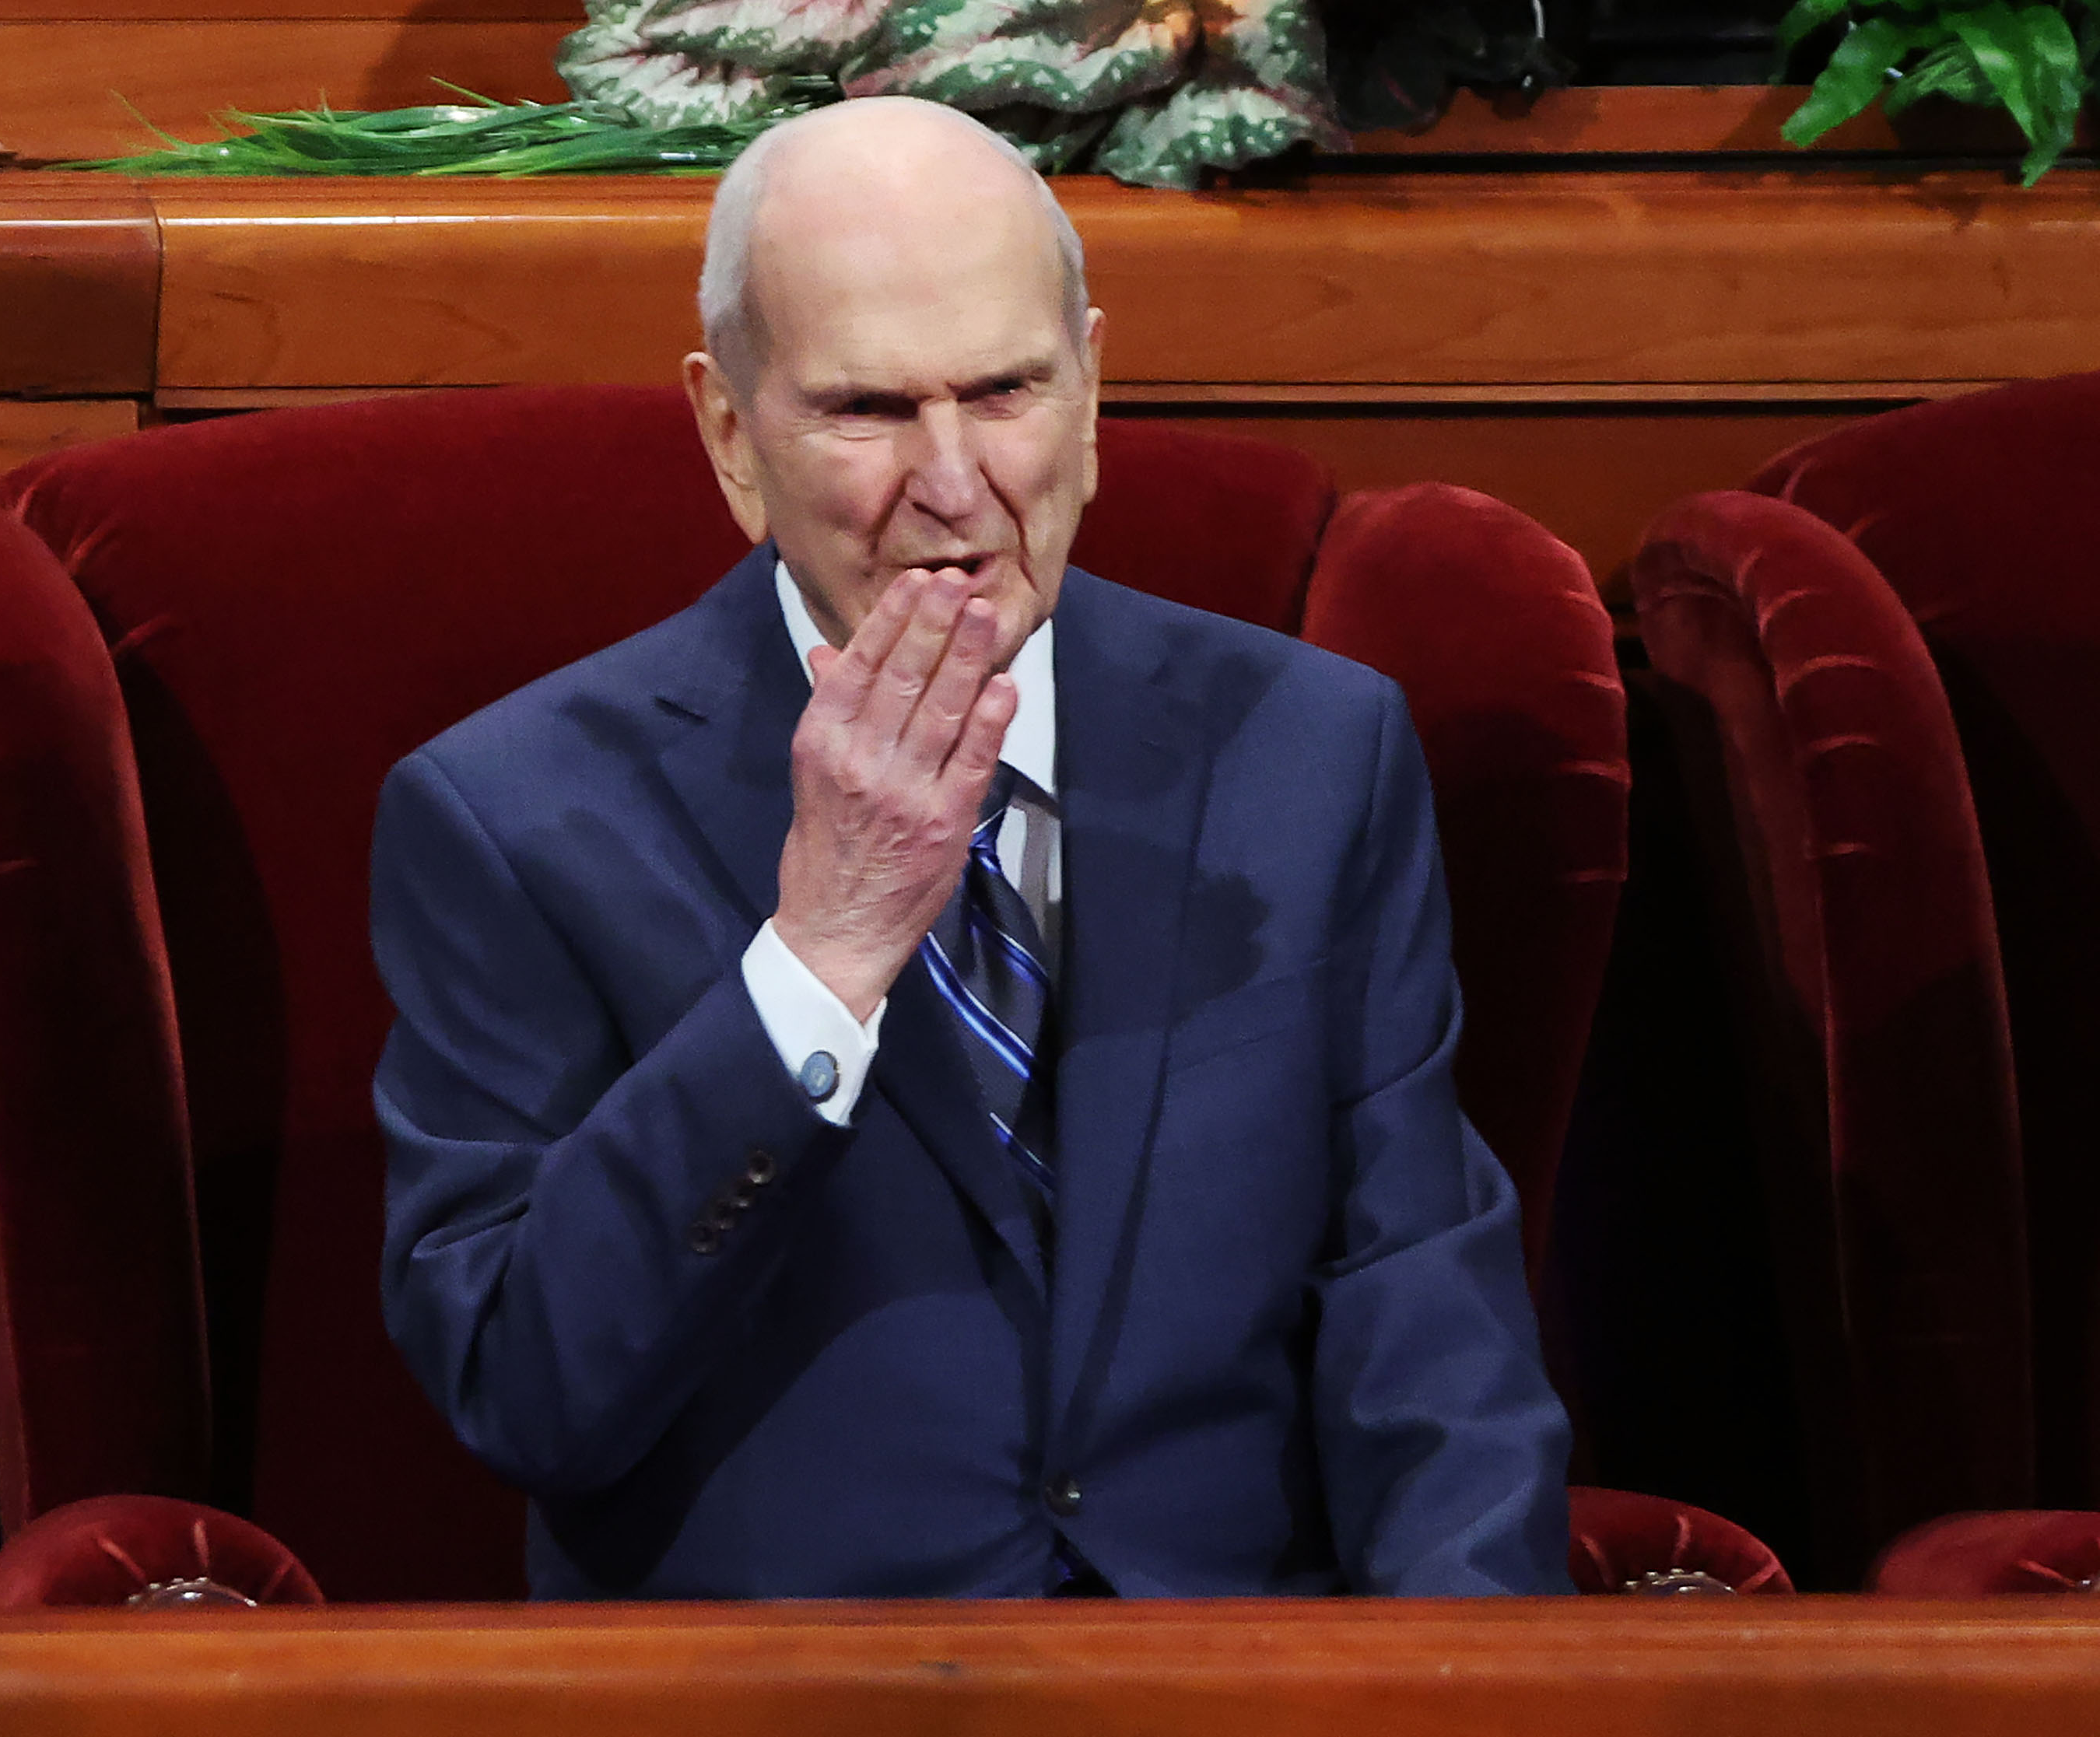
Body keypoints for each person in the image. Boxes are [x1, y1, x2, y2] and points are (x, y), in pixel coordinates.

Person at [371, 96, 1572, 1599]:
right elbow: (526, 1384)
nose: (952, 483)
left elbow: (1424, 1314)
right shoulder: (514, 813)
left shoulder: (1312, 752)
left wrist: (1472, 1677)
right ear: (732, 434)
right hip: (783, 1690)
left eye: (1005, 391)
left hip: (1226, 1679)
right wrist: (820, 958)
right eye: (869, 410)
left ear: (1091, 390)